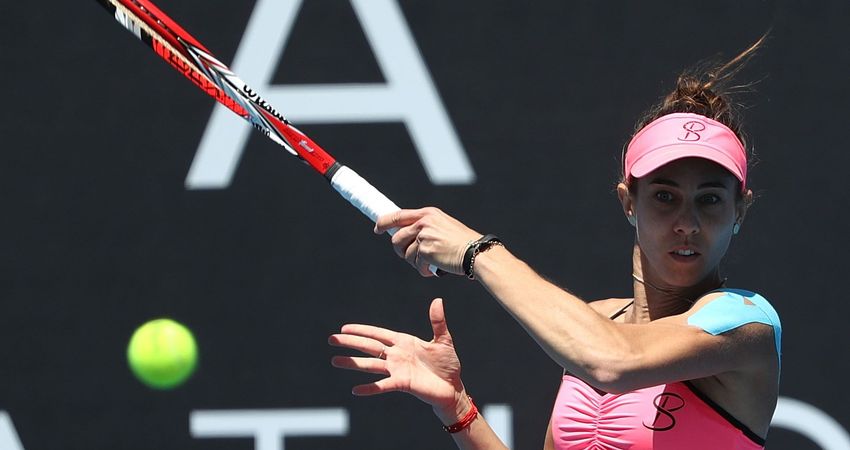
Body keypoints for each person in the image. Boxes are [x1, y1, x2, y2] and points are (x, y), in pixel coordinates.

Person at [329, 37, 781, 450]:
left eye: (710, 200)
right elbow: (601, 351)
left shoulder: (746, 324)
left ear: (739, 211)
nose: (687, 223)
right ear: (629, 203)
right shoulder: (594, 323)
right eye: (665, 197)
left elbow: (613, 362)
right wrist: (457, 407)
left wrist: (476, 251)